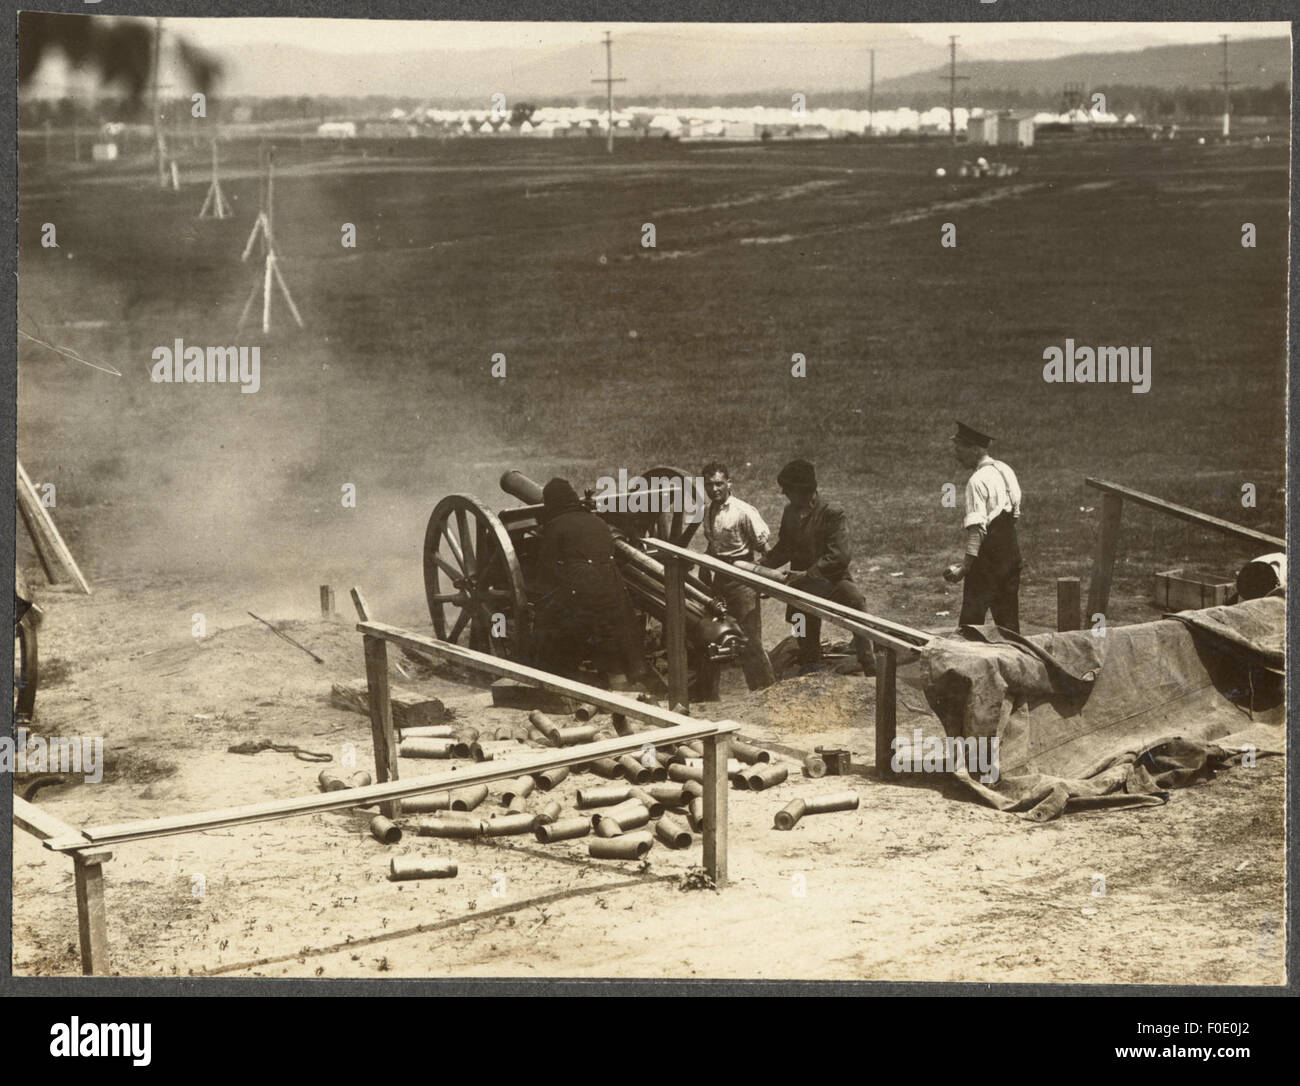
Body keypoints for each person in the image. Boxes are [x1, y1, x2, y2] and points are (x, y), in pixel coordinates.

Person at [531, 478, 648, 690]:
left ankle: (556, 672)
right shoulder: (598, 522)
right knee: (609, 634)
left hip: (581, 595)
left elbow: (545, 569)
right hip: (613, 590)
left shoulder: (556, 526)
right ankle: (622, 678)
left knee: (545, 622)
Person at [761, 459, 874, 677]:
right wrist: (764, 567)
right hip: (801, 583)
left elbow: (839, 556)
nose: (784, 493)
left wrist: (808, 574)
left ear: (804, 491)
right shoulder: (790, 512)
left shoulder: (832, 513)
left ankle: (868, 662)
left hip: (830, 579)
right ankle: (809, 659)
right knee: (800, 619)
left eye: (788, 489)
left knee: (856, 604)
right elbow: (784, 547)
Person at [700, 462, 776, 690]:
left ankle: (765, 689)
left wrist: (763, 581)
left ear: (729, 483)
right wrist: (704, 568)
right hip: (720, 580)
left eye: (719, 484)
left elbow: (766, 550)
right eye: (709, 484)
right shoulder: (708, 511)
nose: (714, 489)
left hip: (742, 578)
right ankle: (710, 691)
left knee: (750, 637)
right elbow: (713, 546)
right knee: (714, 631)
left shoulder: (744, 511)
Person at [944, 422, 1023, 633]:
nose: (956, 456)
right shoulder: (1006, 469)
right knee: (1009, 624)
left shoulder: (976, 481)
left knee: (971, 622)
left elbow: (977, 530)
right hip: (1011, 554)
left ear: (974, 449)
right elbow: (1014, 514)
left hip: (986, 560)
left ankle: (966, 665)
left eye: (959, 450)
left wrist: (964, 568)